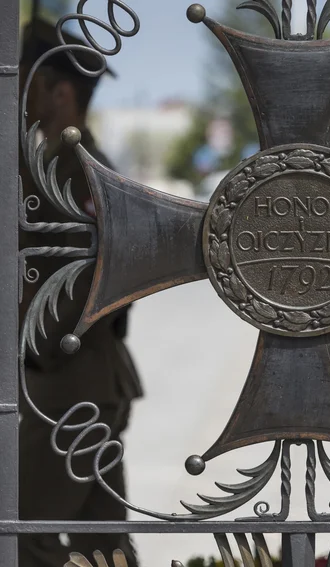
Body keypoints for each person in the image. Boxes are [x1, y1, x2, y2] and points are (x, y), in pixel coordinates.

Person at [18, 19, 142, 567]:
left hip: (71, 383)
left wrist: (31, 346)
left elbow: (92, 277)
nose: (13, 92)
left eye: (24, 81)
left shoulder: (78, 174)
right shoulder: (55, 165)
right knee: (101, 540)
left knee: (25, 533)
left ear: (59, 92)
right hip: (81, 382)